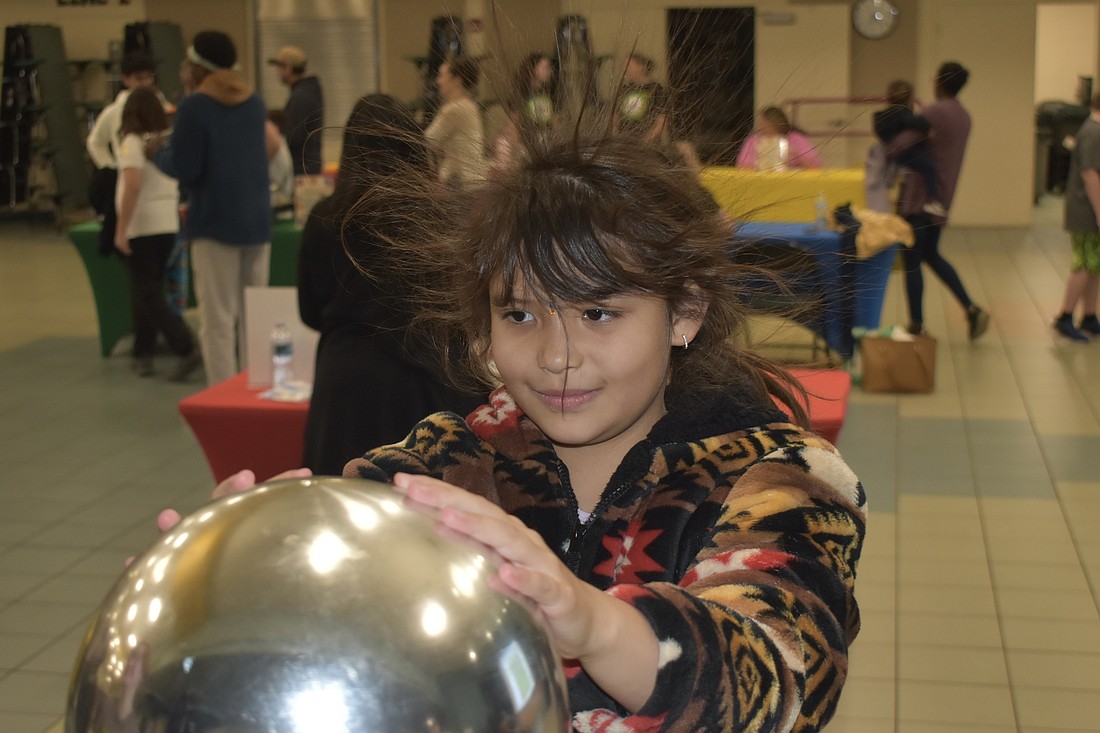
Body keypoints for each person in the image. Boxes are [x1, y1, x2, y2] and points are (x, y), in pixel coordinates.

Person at [169, 116, 866, 729]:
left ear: (683, 311)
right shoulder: (440, 468)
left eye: (598, 312)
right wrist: (234, 587)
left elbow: (779, 678)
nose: (558, 356)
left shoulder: (784, 482)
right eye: (520, 314)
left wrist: (591, 621)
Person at [297, 94, 485, 475]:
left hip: (345, 384)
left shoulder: (326, 218)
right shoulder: (442, 218)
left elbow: (309, 310)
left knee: (343, 506)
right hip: (427, 377)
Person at [149, 30, 272, 385]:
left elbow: (186, 167)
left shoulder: (194, 106)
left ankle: (223, 396)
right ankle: (257, 388)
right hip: (257, 223)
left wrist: (157, 153)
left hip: (215, 223)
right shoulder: (255, 101)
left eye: (188, 62)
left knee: (218, 320)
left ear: (200, 68)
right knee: (254, 318)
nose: (183, 69)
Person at [892, 61, 989, 339]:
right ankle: (971, 309)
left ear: (940, 82)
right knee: (931, 255)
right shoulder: (964, 116)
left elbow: (900, 145)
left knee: (911, 259)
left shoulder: (934, 112)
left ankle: (917, 326)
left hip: (919, 197)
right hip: (942, 198)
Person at [113, 87, 201, 381]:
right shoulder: (166, 142)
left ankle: (184, 344)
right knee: (145, 289)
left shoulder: (132, 142)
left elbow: (133, 184)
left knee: (147, 291)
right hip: (167, 224)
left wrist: (121, 228)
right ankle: (143, 351)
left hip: (143, 224)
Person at [86, 52, 159, 256]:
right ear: (126, 79)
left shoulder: (160, 106)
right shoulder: (113, 112)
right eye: (138, 78)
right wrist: (109, 166)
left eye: (148, 77)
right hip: (126, 173)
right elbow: (95, 142)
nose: (144, 83)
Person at [1054, 90, 1100, 341]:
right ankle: (1065, 316)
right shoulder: (1094, 132)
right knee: (1083, 264)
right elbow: (1090, 174)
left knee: (1095, 265)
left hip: (1089, 210)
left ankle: (1090, 315)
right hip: (1087, 211)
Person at [872, 80, 946, 218]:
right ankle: (932, 199)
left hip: (888, 156)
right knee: (930, 167)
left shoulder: (881, 117)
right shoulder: (903, 113)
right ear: (909, 99)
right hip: (904, 154)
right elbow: (920, 123)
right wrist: (927, 126)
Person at [425, 57, 487, 189]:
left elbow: (429, 138)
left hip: (461, 182)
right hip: (472, 180)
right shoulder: (469, 106)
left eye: (442, 76)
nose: (438, 81)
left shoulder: (455, 109)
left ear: (457, 80)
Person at [267, 45, 324, 175]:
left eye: (279, 67)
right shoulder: (308, 91)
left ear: (288, 68)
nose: (277, 72)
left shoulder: (301, 97)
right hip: (308, 166)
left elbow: (294, 135)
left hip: (302, 169)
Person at [735, 105, 822, 171]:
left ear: (777, 124)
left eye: (766, 124)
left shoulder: (795, 138)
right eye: (761, 124)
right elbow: (742, 164)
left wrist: (795, 153)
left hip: (789, 182)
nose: (761, 127)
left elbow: (815, 164)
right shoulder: (753, 140)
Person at [615, 53, 667, 143]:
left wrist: (644, 141)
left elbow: (661, 121)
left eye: (629, 65)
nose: (625, 69)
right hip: (623, 142)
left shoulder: (656, 89)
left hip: (647, 144)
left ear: (641, 67)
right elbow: (615, 117)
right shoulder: (624, 89)